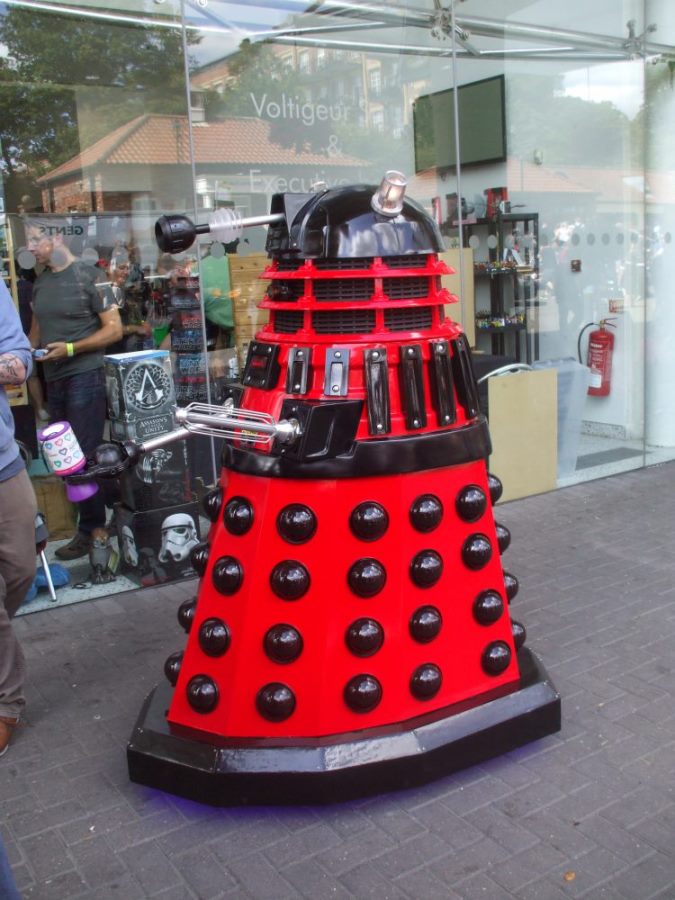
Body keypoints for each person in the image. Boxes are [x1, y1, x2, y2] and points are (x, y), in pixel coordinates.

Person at [26, 221, 122, 560]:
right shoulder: (40, 283)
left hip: (85, 375)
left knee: (84, 457)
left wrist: (70, 349)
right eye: (28, 242)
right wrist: (19, 357)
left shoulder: (92, 276)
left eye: (36, 240)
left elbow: (115, 329)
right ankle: (90, 528)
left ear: (57, 237)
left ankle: (98, 535)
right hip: (55, 381)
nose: (31, 248)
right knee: (67, 461)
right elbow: (34, 337)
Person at [0, 278, 38, 758]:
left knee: (21, 570)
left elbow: (18, 356)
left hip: (3, 461)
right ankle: (7, 704)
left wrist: (11, 365)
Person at [105, 252, 151, 354]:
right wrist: (136, 328)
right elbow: (111, 329)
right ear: (109, 269)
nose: (126, 272)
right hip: (115, 352)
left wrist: (144, 324)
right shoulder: (106, 292)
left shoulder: (124, 291)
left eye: (127, 268)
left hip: (131, 350)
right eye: (122, 268)